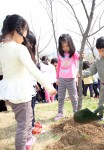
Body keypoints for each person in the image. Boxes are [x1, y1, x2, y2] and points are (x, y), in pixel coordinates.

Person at [0, 14, 57, 150]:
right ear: (18, 31)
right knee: (23, 124)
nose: (24, 39)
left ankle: (27, 141)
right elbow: (34, 71)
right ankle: (23, 145)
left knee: (26, 117)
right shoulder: (20, 49)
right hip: (21, 91)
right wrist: (49, 87)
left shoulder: (1, 48)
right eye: (24, 35)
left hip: (9, 91)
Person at [54, 34, 81, 121]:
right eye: (63, 46)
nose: (65, 48)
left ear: (71, 44)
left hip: (71, 79)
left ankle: (76, 112)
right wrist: (57, 78)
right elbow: (58, 67)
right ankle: (60, 113)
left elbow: (79, 58)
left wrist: (82, 55)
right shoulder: (60, 54)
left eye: (67, 46)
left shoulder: (74, 53)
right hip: (61, 79)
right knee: (61, 97)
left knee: (73, 97)